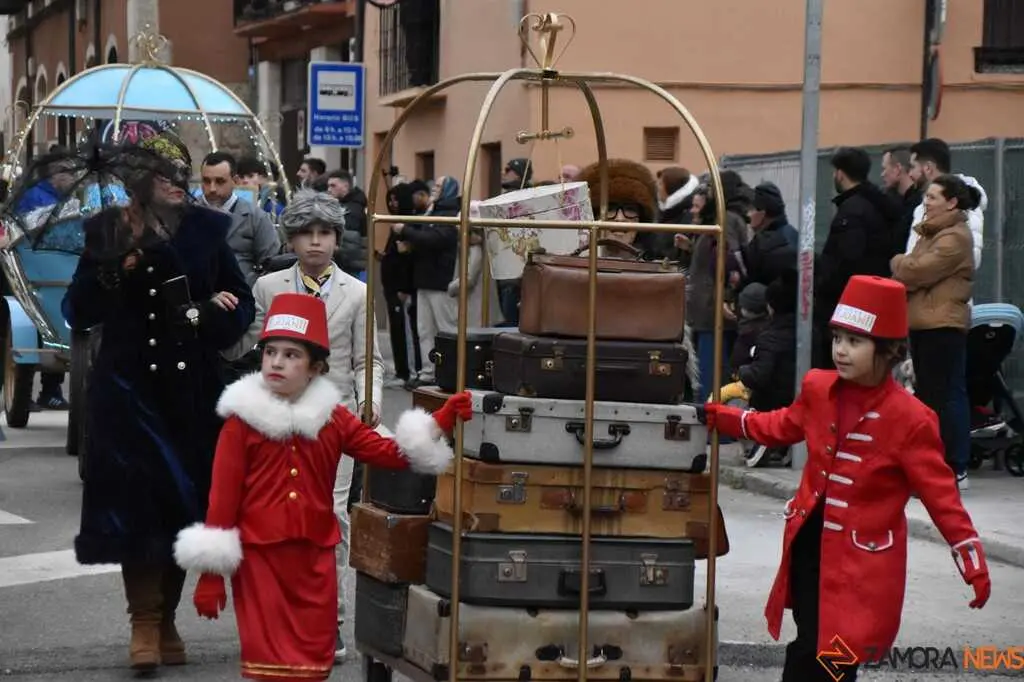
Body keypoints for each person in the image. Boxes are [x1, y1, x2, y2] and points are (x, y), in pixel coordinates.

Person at [703, 275, 991, 682]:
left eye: (854, 342)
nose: (840, 350)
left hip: (862, 565)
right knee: (808, 643)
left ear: (888, 351)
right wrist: (729, 418)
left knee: (837, 657)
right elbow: (780, 425)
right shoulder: (818, 388)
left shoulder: (911, 419)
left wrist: (972, 560)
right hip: (808, 545)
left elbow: (941, 496)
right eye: (838, 338)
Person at [174, 292, 471, 682]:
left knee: (313, 661)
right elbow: (222, 498)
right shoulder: (241, 422)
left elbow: (388, 453)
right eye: (270, 352)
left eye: (291, 355)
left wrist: (439, 422)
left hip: (315, 558)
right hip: (262, 560)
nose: (277, 362)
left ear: (315, 367)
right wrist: (211, 573)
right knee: (270, 664)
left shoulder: (333, 419)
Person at [62, 130, 256, 671]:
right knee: (135, 510)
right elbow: (78, 312)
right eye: (167, 176)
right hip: (125, 392)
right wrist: (110, 271)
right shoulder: (108, 230)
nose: (180, 185)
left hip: (188, 391)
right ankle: (144, 622)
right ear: (140, 183)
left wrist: (212, 313)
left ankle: (167, 615)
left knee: (182, 507)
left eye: (183, 175)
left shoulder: (205, 231)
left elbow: (239, 303)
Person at [226, 189, 385, 658]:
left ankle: (327, 621)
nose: (316, 242)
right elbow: (246, 349)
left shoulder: (358, 293)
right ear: (291, 240)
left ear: (337, 239)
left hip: (332, 423)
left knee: (330, 518)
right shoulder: (269, 288)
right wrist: (213, 318)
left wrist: (369, 399)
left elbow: (367, 360)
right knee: (273, 520)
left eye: (325, 233)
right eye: (306, 234)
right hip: (274, 422)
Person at [890, 174, 978, 491]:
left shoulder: (954, 237)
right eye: (926, 196)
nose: (926, 202)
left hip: (941, 325)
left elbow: (916, 270)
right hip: (928, 323)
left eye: (933, 197)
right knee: (933, 396)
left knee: (939, 399)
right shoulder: (933, 234)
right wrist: (907, 266)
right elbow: (914, 269)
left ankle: (950, 467)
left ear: (952, 202)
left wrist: (898, 262)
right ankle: (938, 466)